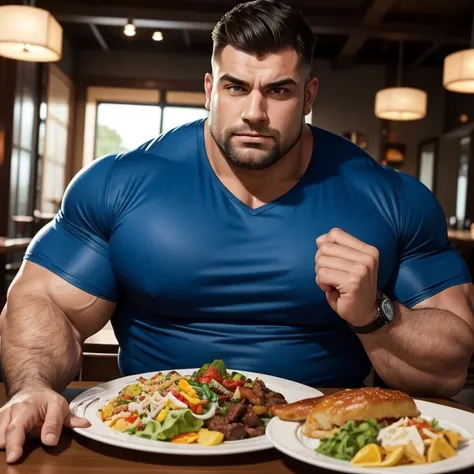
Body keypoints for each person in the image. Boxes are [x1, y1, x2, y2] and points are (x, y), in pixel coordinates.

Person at [1, 0, 473, 464]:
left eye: (279, 91)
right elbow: (46, 304)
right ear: (210, 88)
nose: (254, 112)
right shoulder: (121, 182)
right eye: (236, 87)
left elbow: (449, 368)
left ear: (308, 96)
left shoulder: (389, 197)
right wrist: (33, 386)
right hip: (148, 438)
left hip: (320, 445)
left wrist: (375, 314)